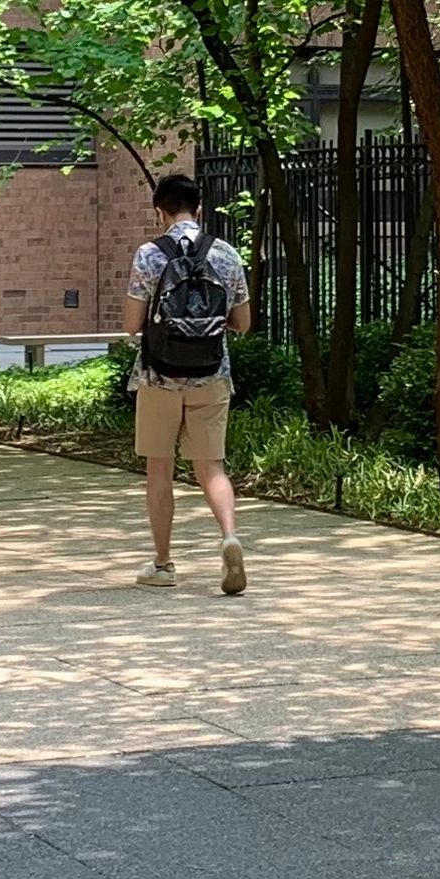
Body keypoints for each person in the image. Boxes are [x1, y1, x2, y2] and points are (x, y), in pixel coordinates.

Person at [124, 174, 252, 593]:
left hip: (158, 374)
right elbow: (244, 324)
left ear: (159, 212)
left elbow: (130, 325)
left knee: (159, 468)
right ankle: (229, 537)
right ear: (200, 209)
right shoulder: (227, 254)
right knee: (211, 466)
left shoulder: (149, 255)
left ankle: (163, 565)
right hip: (211, 374)